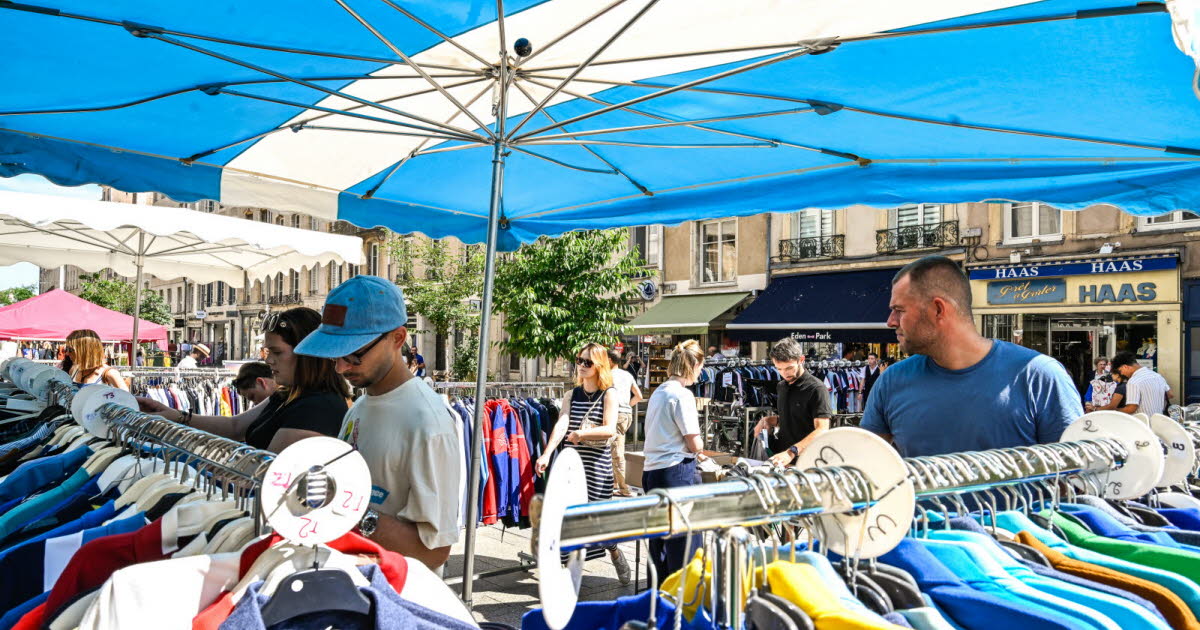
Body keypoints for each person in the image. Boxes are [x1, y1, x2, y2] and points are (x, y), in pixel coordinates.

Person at [294, 276, 461, 571]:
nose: (341, 366)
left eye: (354, 353)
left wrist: (347, 509)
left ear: (397, 338)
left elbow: (434, 552)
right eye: (335, 354)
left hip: (397, 600)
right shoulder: (360, 404)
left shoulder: (427, 422)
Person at [861, 256, 1083, 457]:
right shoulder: (891, 381)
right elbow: (866, 469)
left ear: (938, 309)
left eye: (899, 310)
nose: (891, 321)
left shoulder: (1039, 376)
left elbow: (1074, 475)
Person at [137, 307, 350, 452]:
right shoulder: (289, 394)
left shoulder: (319, 407)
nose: (269, 361)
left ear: (308, 353)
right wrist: (174, 415)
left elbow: (262, 471)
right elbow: (235, 426)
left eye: (277, 352)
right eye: (268, 352)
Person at [535, 342, 631, 584]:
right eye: (579, 360)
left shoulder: (609, 393)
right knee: (567, 517)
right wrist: (547, 453)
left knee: (598, 520)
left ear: (599, 365)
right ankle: (566, 572)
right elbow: (562, 423)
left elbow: (610, 429)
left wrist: (582, 435)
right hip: (571, 464)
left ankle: (615, 551)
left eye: (587, 362)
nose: (581, 366)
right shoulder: (571, 394)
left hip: (597, 466)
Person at [641, 339, 708, 581]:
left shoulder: (659, 391)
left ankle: (657, 599)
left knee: (659, 542)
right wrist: (702, 447)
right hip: (675, 470)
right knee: (683, 544)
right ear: (695, 364)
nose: (701, 373)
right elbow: (694, 442)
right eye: (701, 367)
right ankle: (681, 601)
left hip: (652, 471)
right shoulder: (682, 395)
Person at [753, 338, 831, 467]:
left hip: (810, 462)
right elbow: (793, 418)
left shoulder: (816, 388)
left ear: (801, 360)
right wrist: (768, 420)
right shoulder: (781, 386)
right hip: (782, 462)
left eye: (789, 368)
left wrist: (792, 452)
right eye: (779, 369)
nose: (784, 373)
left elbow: (822, 429)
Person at [607, 348, 644, 497]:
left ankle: (624, 487)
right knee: (614, 449)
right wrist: (628, 405)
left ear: (609, 360)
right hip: (626, 414)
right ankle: (616, 483)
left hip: (615, 414)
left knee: (616, 452)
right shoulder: (627, 375)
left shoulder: (607, 376)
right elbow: (639, 396)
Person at [1109, 351, 1171, 417]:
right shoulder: (1157, 376)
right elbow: (1170, 394)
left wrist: (1114, 412)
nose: (1121, 374)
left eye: (1120, 371)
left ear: (1125, 367)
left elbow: (1131, 408)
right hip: (1158, 420)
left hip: (1142, 423)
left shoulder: (1133, 381)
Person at [64, 329, 129, 391]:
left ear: (86, 351)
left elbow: (127, 399)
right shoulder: (74, 369)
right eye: (66, 349)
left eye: (70, 350)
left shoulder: (109, 373)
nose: (67, 353)